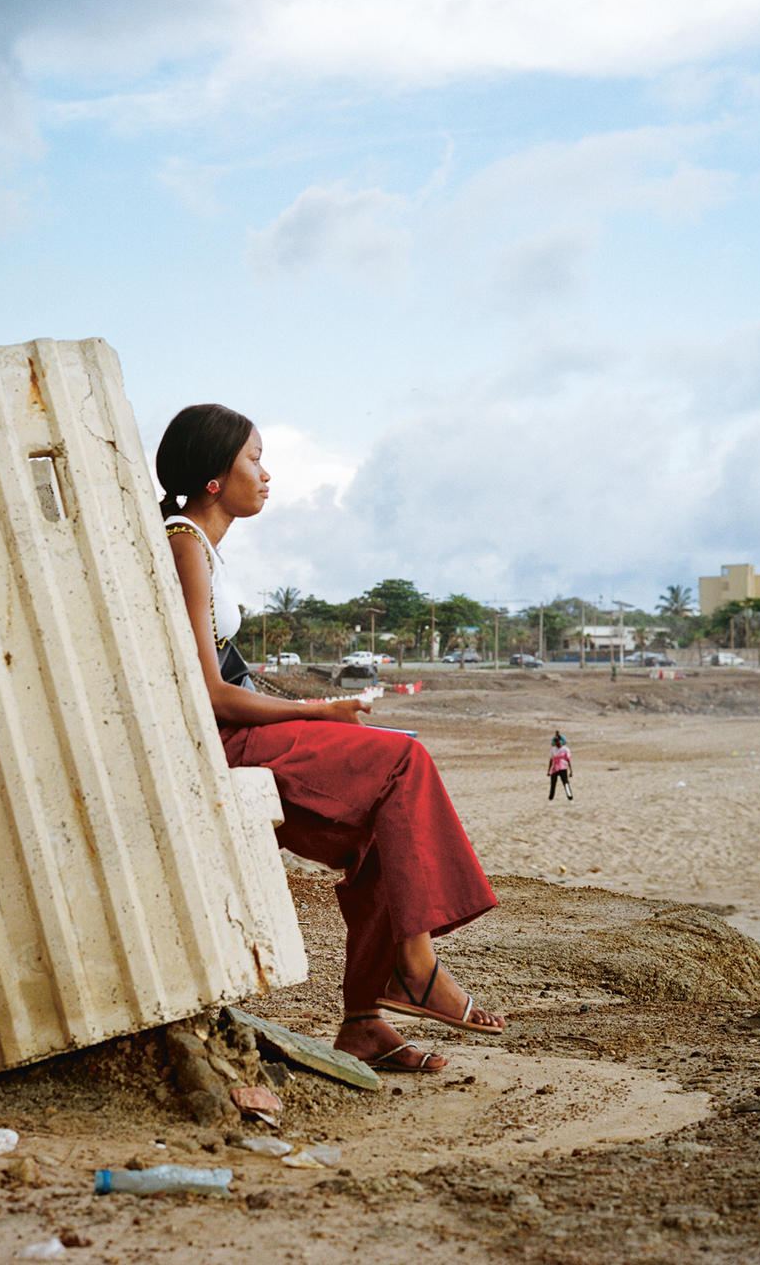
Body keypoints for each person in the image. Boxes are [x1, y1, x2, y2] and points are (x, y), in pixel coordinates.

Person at [157, 404, 504, 1073]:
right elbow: (212, 692)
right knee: (405, 760)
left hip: (233, 733)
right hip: (221, 742)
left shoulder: (202, 547)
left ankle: (364, 1023)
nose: (266, 475)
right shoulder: (183, 544)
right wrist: (318, 712)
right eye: (253, 459)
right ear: (212, 479)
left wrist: (320, 708)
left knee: (389, 823)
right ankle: (415, 966)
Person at [546, 732, 573, 801]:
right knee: (553, 785)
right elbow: (551, 760)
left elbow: (568, 760)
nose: (558, 742)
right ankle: (550, 799)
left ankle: (570, 798)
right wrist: (549, 770)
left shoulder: (565, 749)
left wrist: (570, 770)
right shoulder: (553, 750)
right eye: (556, 741)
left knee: (566, 783)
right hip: (554, 769)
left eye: (559, 740)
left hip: (563, 768)